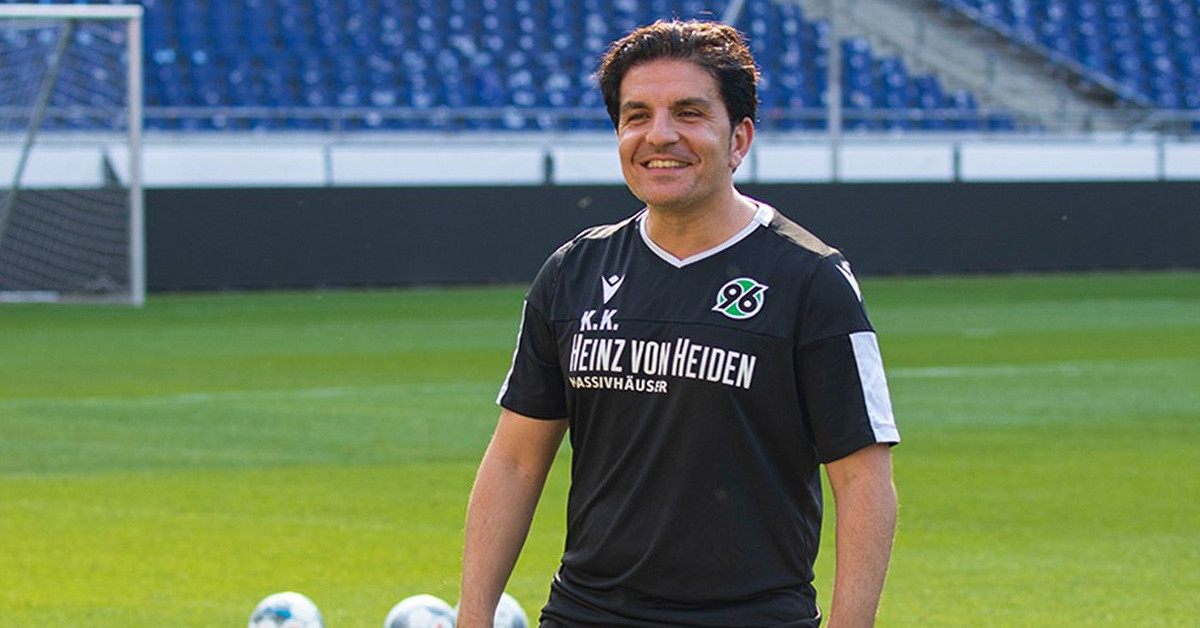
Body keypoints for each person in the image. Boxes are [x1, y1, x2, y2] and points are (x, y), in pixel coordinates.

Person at [459, 19, 899, 628]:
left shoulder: (810, 278)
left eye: (689, 113)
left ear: (739, 138)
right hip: (585, 613)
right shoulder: (574, 270)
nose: (659, 135)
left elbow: (862, 477)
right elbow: (515, 459)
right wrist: (473, 614)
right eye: (637, 115)